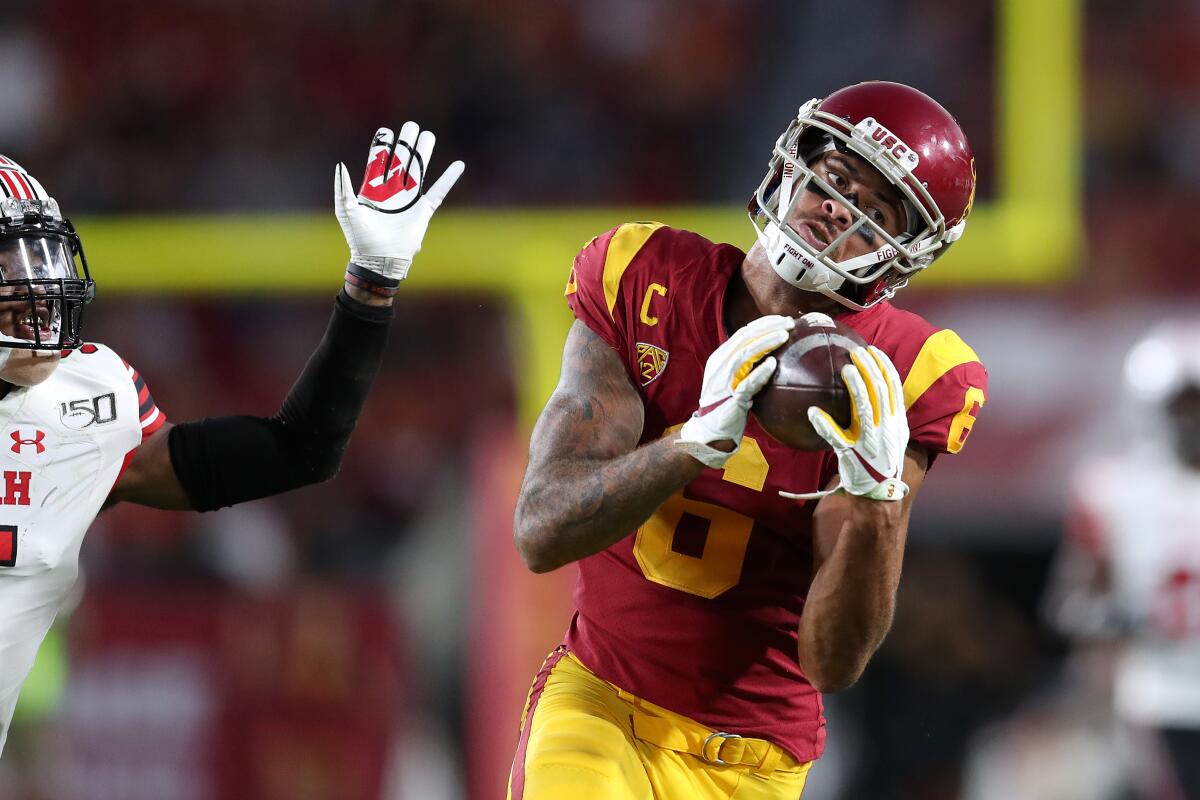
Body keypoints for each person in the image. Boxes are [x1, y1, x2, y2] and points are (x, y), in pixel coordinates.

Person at [508, 81, 989, 798]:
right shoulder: (645, 276)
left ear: (901, 257)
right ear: (794, 163)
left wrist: (877, 501)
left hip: (756, 758)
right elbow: (540, 532)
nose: (834, 208)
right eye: (835, 179)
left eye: (872, 212)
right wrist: (689, 445)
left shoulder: (908, 375)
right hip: (600, 704)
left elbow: (834, 662)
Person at [0, 123, 464, 756]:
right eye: (9, 265)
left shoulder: (82, 403)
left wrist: (372, 284)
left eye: (40, 259)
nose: (37, 291)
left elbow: (299, 449)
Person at [1045, 322, 1200, 799]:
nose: (1192, 420)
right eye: (1183, 405)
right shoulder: (1113, 490)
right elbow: (1067, 604)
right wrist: (1124, 617)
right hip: (1163, 694)